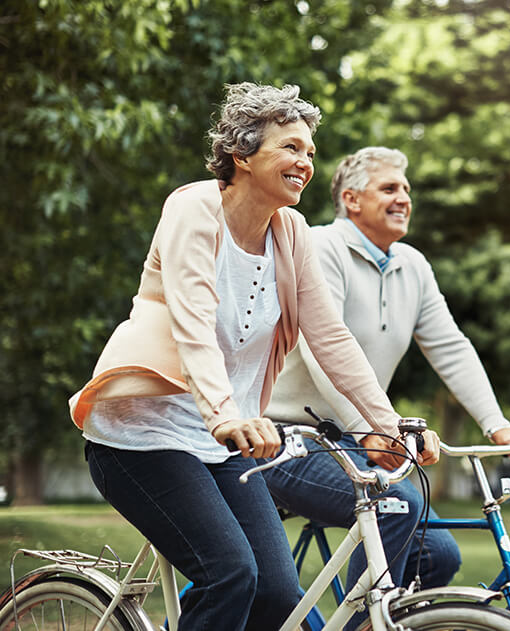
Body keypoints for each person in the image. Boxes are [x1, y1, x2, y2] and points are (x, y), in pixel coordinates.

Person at [68, 88, 440, 631]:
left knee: (278, 594)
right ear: (242, 155)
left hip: (227, 445)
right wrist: (224, 413)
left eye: (310, 152)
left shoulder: (291, 234)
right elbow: (192, 319)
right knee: (230, 574)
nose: (305, 163)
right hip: (143, 435)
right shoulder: (193, 208)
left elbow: (330, 338)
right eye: (291, 147)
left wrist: (388, 427)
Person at [263, 146, 510, 630]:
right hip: (286, 439)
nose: (403, 199)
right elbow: (321, 346)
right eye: (390, 188)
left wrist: (497, 426)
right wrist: (368, 427)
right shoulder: (321, 247)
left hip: (356, 440)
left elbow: (451, 348)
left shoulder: (411, 265)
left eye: (406, 190)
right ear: (351, 199)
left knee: (437, 553)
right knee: (398, 505)